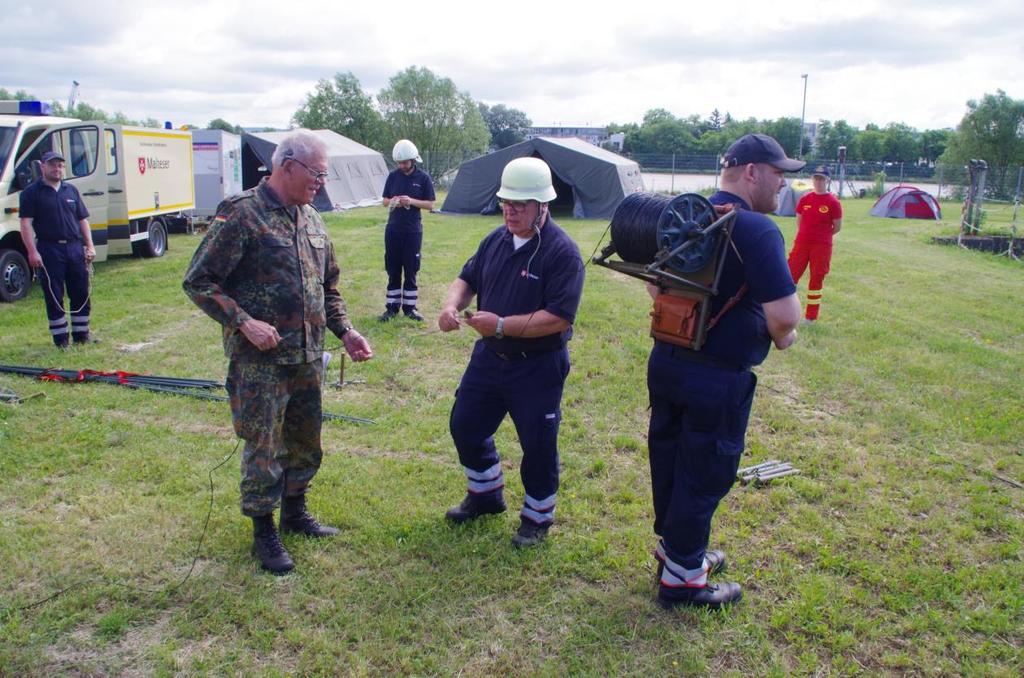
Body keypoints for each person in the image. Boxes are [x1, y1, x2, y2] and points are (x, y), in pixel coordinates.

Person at [183, 131, 373, 575]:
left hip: (307, 356)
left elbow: (328, 287)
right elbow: (198, 281)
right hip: (260, 364)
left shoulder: (312, 219)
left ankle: (295, 511)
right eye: (317, 173)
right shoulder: (242, 215)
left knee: (305, 441)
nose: (322, 183)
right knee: (263, 445)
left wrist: (345, 331)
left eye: (326, 174)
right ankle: (263, 530)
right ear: (286, 165)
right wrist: (243, 321)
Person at [646, 133, 802, 608]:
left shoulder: (681, 214)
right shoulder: (757, 230)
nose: (782, 185)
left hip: (667, 360)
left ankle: (677, 552)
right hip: (717, 379)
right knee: (706, 468)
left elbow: (657, 289)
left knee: (670, 461)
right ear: (751, 172)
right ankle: (684, 580)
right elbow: (786, 317)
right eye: (778, 174)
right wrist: (784, 337)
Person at [438, 157, 584, 547]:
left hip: (537, 366)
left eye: (521, 204)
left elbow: (558, 317)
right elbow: (466, 277)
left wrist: (501, 325)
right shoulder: (495, 240)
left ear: (543, 206)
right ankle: (485, 495)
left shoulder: (562, 253)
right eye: (506, 202)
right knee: (465, 424)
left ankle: (537, 518)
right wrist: (451, 305)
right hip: (489, 359)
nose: (511, 210)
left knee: (538, 445)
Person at [19, 150, 97, 348]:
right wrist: (32, 252)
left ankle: (82, 336)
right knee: (54, 295)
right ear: (43, 167)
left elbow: (82, 220)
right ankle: (61, 340)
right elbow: (26, 224)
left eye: (60, 165)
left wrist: (89, 245)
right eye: (53, 165)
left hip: (74, 248)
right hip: (49, 249)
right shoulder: (31, 193)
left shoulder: (71, 190)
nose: (57, 168)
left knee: (80, 292)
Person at [379, 139, 436, 322]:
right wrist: (393, 201)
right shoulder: (393, 176)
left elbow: (430, 204)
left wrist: (410, 201)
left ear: (413, 160)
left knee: (411, 270)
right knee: (393, 269)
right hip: (393, 230)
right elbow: (385, 201)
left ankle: (410, 308)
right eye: (399, 163)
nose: (401, 165)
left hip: (412, 231)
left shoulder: (423, 178)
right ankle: (392, 308)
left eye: (404, 162)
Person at [787, 165, 843, 322]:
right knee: (790, 276)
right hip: (802, 244)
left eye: (822, 179)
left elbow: (837, 227)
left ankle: (811, 316)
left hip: (822, 247)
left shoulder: (833, 202)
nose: (818, 182)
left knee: (816, 279)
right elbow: (799, 221)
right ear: (813, 180)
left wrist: (822, 236)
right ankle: (786, 311)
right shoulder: (805, 199)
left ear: (828, 180)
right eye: (816, 178)